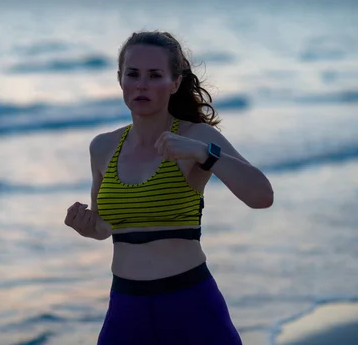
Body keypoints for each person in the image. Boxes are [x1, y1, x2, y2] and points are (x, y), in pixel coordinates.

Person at [64, 31, 274, 345]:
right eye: (133, 74)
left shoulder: (196, 137)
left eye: (155, 75)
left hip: (190, 305)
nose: (142, 84)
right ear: (120, 79)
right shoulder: (103, 146)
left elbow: (262, 196)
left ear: (174, 83)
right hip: (126, 307)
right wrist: (87, 227)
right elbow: (106, 226)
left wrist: (205, 154)